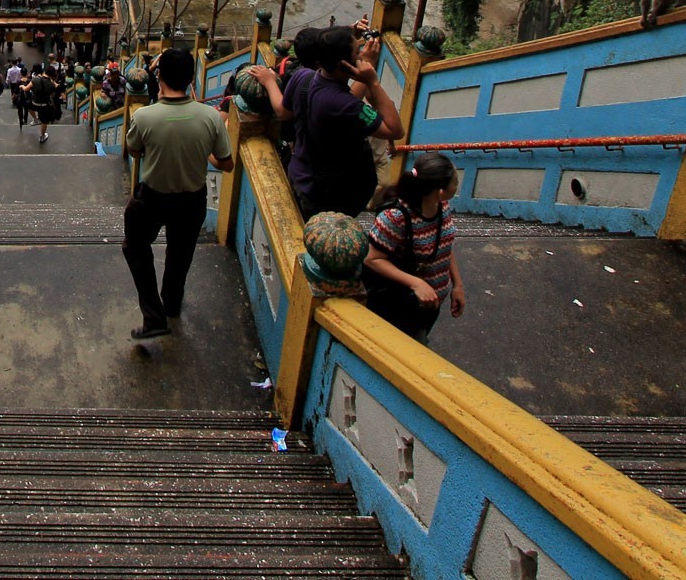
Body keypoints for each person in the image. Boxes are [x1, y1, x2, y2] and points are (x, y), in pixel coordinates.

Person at [122, 48, 234, 341]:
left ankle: (153, 314)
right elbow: (227, 162)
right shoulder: (210, 117)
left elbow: (134, 150)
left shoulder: (145, 116)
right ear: (190, 78)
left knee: (135, 247)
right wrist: (203, 152)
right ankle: (171, 303)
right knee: (180, 254)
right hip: (192, 199)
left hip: (152, 197)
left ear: (159, 77)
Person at [247, 21, 404, 219]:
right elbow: (396, 130)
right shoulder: (346, 105)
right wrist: (372, 80)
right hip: (333, 195)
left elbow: (284, 113)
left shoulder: (303, 76)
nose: (362, 54)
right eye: (358, 52)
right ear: (344, 64)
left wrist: (270, 82)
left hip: (303, 175)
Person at [362, 154, 464, 345]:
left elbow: (444, 245)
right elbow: (372, 259)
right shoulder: (396, 218)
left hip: (431, 303)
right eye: (455, 182)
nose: (457, 184)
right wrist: (416, 283)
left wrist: (457, 285)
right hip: (401, 305)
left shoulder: (442, 207)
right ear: (440, 191)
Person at [29, 62, 61, 145]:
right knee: (44, 122)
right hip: (45, 105)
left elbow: (27, 88)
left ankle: (35, 119)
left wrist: (22, 87)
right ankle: (42, 136)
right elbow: (55, 91)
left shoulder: (35, 79)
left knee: (28, 106)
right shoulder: (51, 85)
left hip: (35, 102)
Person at [6, 61, 28, 128]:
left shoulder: (19, 82)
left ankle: (21, 121)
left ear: (21, 74)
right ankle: (25, 119)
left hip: (20, 97)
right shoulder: (29, 81)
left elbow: (15, 91)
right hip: (27, 98)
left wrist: (13, 96)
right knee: (26, 109)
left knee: (20, 109)